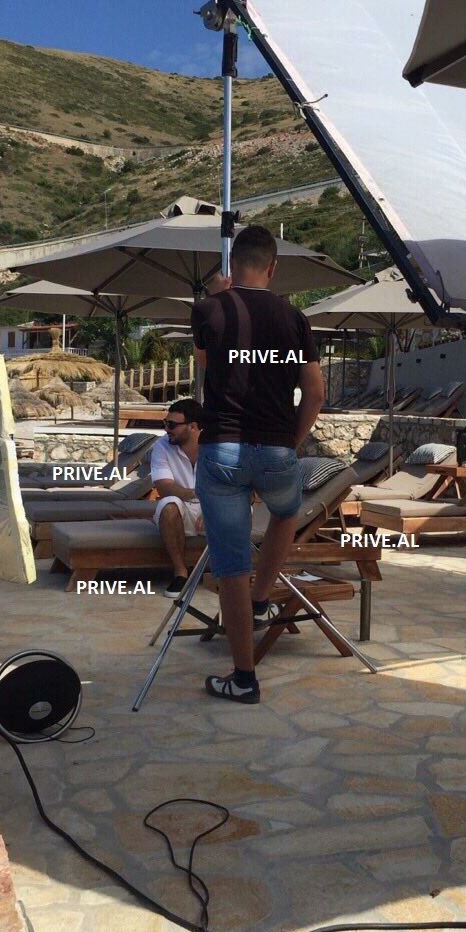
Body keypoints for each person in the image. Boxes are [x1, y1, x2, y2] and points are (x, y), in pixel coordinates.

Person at [191, 225, 324, 704]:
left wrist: (215, 296)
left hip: (222, 449)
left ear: (232, 264)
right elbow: (315, 392)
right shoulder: (294, 319)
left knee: (230, 566)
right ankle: (262, 597)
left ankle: (244, 678)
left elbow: (208, 362)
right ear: (273, 267)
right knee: (286, 512)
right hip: (275, 449)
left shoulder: (209, 309)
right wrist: (292, 440)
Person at [151, 398, 205, 598]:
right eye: (165, 423)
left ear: (193, 427)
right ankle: (181, 572)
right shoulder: (162, 446)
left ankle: (229, 573)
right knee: (168, 505)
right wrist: (198, 495)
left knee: (236, 507)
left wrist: (212, 506)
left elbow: (233, 487)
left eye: (172, 425)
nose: (166, 429)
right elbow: (165, 488)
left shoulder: (216, 446)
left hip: (216, 507)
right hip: (183, 508)